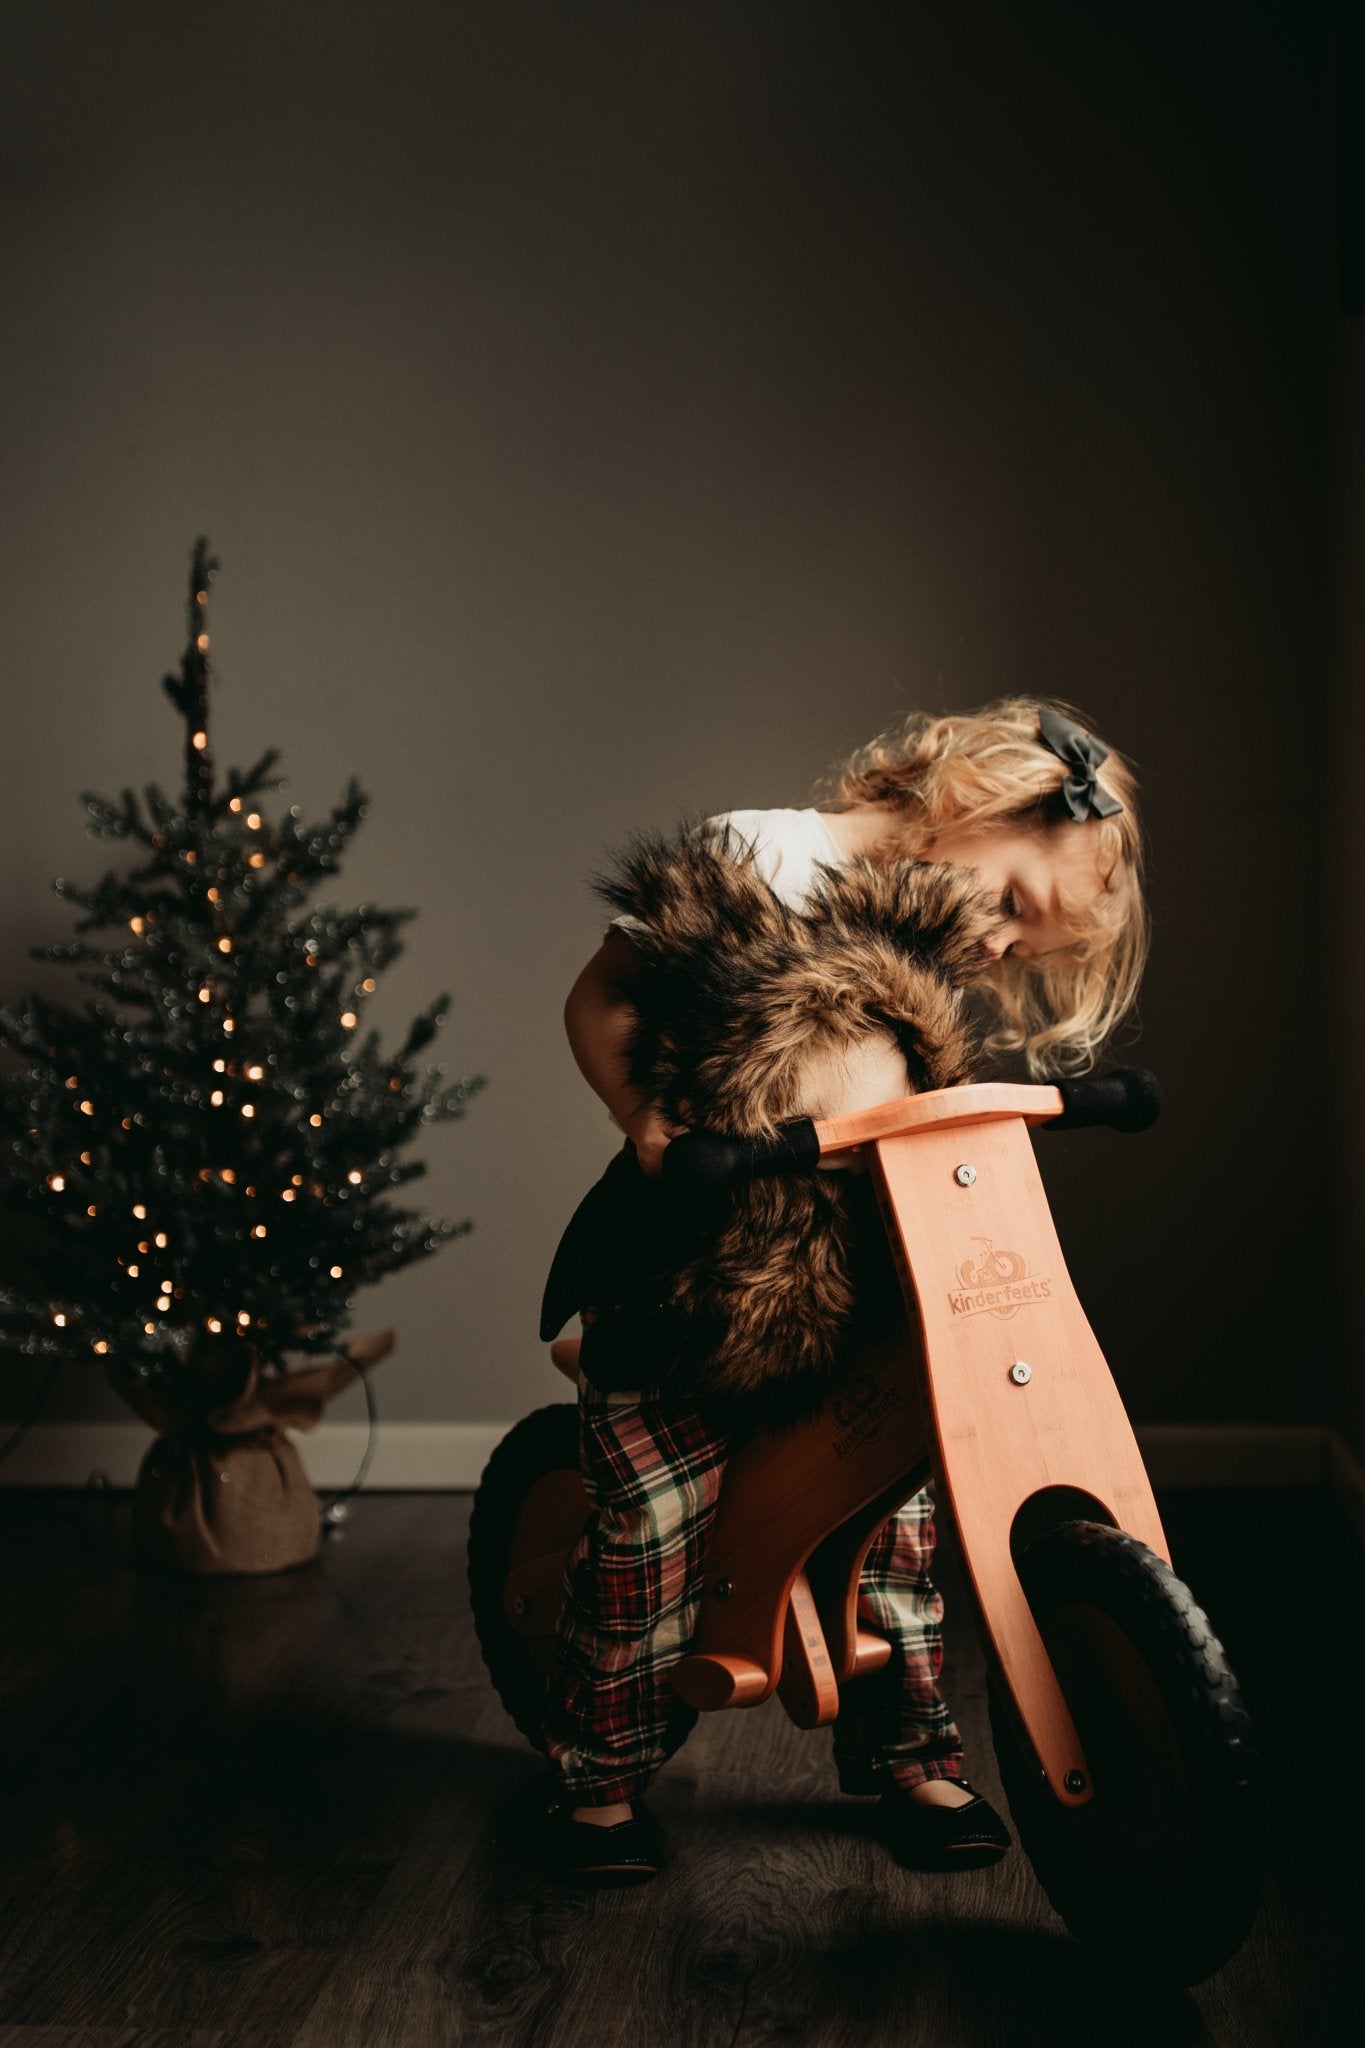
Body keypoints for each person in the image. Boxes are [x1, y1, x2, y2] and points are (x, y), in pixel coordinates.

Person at [532, 697, 1148, 1885]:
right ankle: (595, 1779)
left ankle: (912, 1749)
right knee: (654, 1527)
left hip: (850, 1271)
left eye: (1027, 947)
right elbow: (598, 999)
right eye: (1016, 904)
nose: (1003, 948)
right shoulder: (760, 852)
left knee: (898, 1496)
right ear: (971, 803)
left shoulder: (919, 939)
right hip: (693, 1263)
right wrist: (645, 1118)